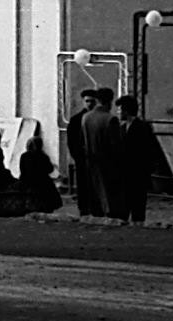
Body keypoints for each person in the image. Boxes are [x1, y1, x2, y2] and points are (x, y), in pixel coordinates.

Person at [115, 95, 165, 223]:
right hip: (126, 172)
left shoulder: (141, 127)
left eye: (120, 110)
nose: (118, 112)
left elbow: (149, 150)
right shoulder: (124, 127)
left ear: (126, 110)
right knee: (126, 204)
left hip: (137, 172)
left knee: (137, 205)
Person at [80, 87, 124, 218]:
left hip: (90, 160)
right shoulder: (111, 119)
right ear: (110, 101)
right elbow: (115, 145)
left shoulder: (85, 118)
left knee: (95, 194)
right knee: (110, 194)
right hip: (108, 162)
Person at [66, 89, 97, 216]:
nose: (89, 104)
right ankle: (83, 208)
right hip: (82, 158)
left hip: (94, 158)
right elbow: (71, 142)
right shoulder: (75, 120)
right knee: (83, 184)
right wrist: (78, 157)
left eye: (92, 101)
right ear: (83, 102)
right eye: (87, 101)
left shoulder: (95, 118)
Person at [17, 133, 63, 214]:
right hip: (42, 182)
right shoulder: (43, 156)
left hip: (27, 181)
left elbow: (22, 170)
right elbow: (50, 169)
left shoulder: (24, 156)